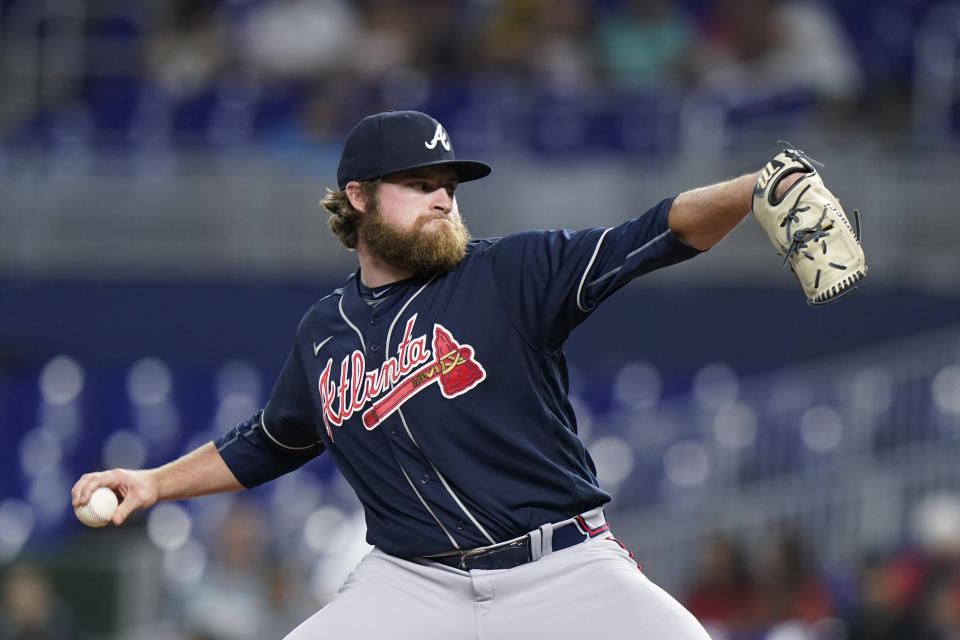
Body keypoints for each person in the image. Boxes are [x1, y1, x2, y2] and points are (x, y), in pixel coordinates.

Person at [72, 109, 804, 639]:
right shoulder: (325, 332)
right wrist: (153, 483)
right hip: (412, 583)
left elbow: (655, 233)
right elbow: (271, 439)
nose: (443, 196)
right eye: (418, 182)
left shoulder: (509, 272)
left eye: (448, 183)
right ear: (357, 197)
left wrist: (755, 187)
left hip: (562, 568)